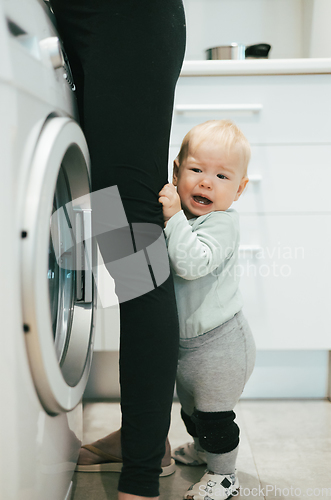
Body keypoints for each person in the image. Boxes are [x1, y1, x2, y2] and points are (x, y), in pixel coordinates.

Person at [50, 1, 186, 499]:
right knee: (95, 217)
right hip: (69, 20)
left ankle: (141, 477)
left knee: (132, 238)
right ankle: (143, 441)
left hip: (125, 14)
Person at [158, 120, 256, 500]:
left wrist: (173, 219)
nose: (206, 182)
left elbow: (191, 263)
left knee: (214, 417)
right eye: (196, 170)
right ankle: (203, 451)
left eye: (221, 175)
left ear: (240, 189)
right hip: (190, 344)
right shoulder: (191, 218)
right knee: (192, 410)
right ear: (176, 171)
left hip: (221, 344)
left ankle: (225, 475)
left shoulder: (221, 224)